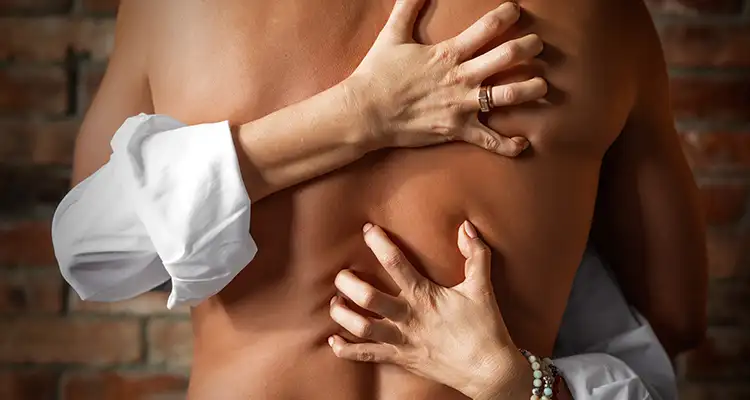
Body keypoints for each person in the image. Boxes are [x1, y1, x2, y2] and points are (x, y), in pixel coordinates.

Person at [51, 0, 706, 399]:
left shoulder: (181, 9)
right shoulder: (599, 17)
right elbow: (674, 318)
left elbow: (95, 256)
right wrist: (363, 115)